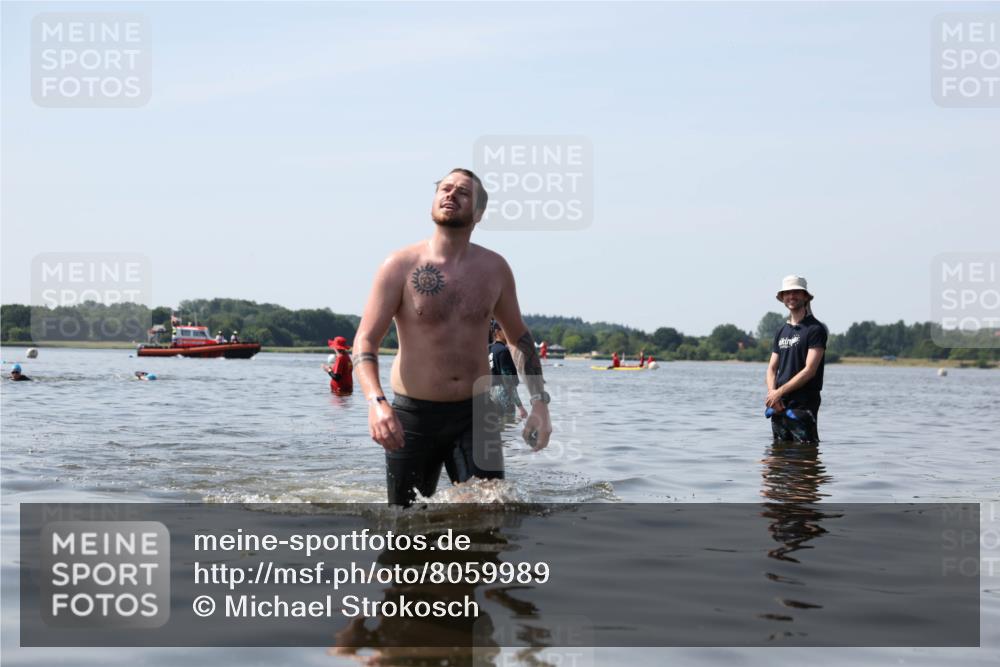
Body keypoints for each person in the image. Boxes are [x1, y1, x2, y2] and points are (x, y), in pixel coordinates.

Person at [353, 168, 552, 507]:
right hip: (413, 417)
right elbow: (365, 342)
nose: (450, 195)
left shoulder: (494, 269)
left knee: (489, 518)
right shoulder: (399, 265)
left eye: (462, 192)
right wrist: (376, 404)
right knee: (405, 523)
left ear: (478, 213)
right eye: (445, 188)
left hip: (477, 415)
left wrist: (539, 403)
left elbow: (519, 338)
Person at [765, 275, 828, 443]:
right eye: (787, 293)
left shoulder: (815, 329)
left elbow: (809, 370)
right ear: (783, 298)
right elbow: (772, 368)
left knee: (806, 458)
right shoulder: (781, 331)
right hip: (779, 406)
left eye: (796, 292)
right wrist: (773, 395)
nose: (791, 296)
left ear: (805, 296)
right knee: (777, 459)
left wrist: (779, 392)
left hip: (803, 405)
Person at [489, 322, 528, 420]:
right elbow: (508, 381)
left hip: (490, 395)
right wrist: (521, 407)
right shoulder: (503, 351)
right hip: (504, 396)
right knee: (509, 429)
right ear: (497, 332)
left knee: (497, 429)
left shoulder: (489, 349)